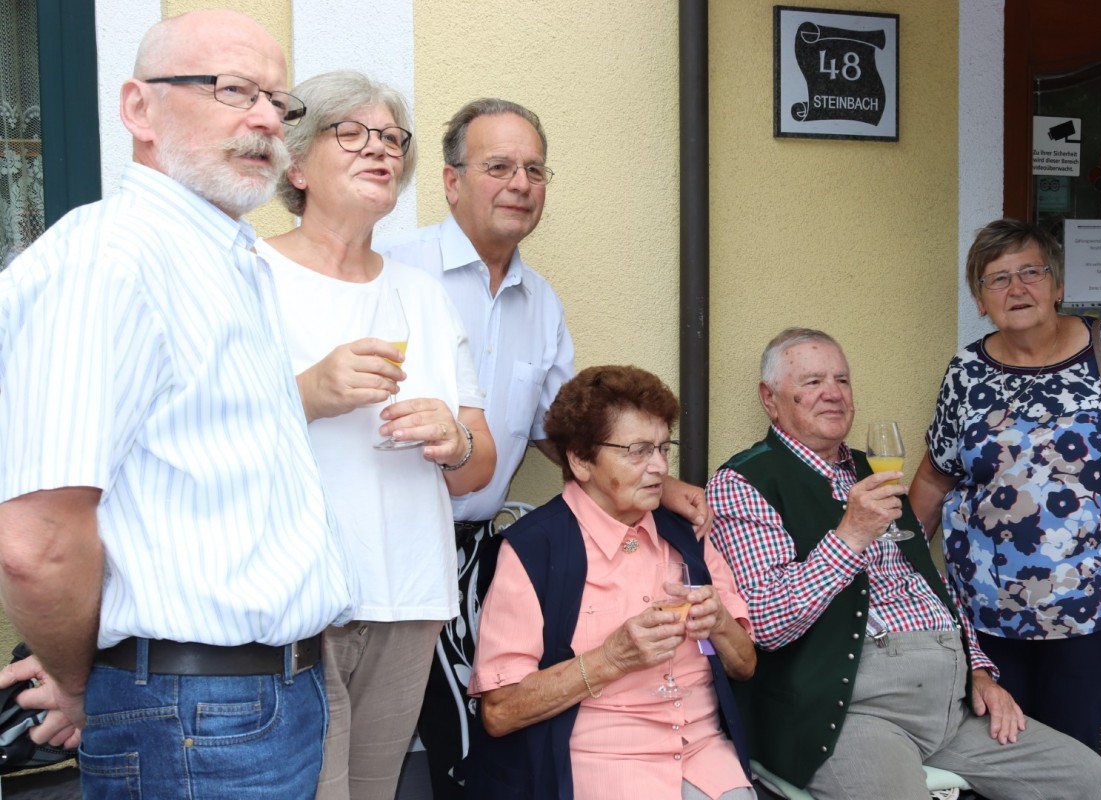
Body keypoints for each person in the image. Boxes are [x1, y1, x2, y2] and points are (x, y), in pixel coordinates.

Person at [0, 10, 354, 798]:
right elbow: (37, 541)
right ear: (139, 108)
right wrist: (81, 682)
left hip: (256, 703)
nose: (265, 118)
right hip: (194, 714)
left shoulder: (224, 261)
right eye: (233, 90)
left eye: (277, 100)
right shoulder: (110, 262)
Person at [377, 98, 711, 796]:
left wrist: (658, 480)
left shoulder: (542, 302)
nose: (520, 184)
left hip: (472, 557)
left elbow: (568, 436)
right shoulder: (395, 272)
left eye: (534, 169)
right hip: (389, 549)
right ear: (450, 180)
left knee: (469, 747)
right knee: (399, 742)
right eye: (498, 166)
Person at [707, 327, 1101, 800]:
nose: (833, 393)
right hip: (847, 714)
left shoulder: (872, 468)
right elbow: (765, 622)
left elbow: (930, 582)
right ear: (770, 399)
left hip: (952, 705)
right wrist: (850, 536)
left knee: (1084, 777)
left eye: (842, 380)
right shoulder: (744, 482)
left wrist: (980, 671)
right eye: (813, 382)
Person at [257, 70, 496, 800]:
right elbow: (197, 434)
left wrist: (453, 439)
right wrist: (308, 393)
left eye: (393, 138)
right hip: (300, 600)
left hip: (409, 596)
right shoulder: (250, 275)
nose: (381, 149)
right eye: (352, 133)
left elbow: (478, 464)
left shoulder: (422, 295)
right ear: (297, 165)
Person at [909, 218, 1101, 752]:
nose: (1017, 288)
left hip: (1087, 612)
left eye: (1031, 273)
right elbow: (934, 477)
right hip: (984, 616)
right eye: (998, 279)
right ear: (980, 300)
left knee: (1073, 759)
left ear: (1058, 285)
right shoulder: (967, 373)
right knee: (998, 760)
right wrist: (899, 571)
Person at [466, 365, 754, 800]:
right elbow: (500, 711)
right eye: (638, 451)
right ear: (581, 460)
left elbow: (745, 665)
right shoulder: (534, 550)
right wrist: (611, 659)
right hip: (602, 765)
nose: (660, 467)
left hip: (705, 757)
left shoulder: (687, 533)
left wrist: (720, 624)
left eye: (663, 448)